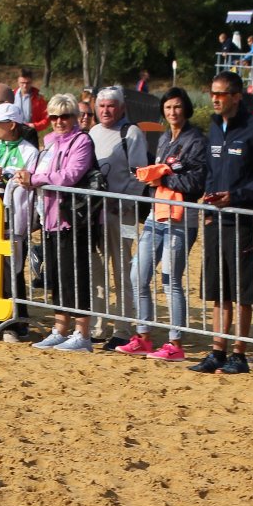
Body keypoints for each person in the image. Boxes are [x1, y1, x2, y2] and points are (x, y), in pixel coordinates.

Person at [189, 71, 253, 375]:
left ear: (237, 97)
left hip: (244, 220)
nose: (214, 99)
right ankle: (218, 350)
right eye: (212, 93)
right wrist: (209, 201)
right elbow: (211, 171)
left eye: (221, 94)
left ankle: (239, 353)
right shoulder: (214, 127)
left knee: (242, 291)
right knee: (218, 288)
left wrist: (236, 196)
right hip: (216, 219)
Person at [121, 87, 205, 361]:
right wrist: (153, 177)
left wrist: (162, 178)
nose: (172, 112)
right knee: (138, 275)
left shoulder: (196, 140)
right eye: (168, 108)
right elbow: (160, 173)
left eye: (177, 107)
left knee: (171, 280)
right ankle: (143, 336)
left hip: (181, 218)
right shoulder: (165, 137)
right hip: (156, 213)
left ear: (186, 108)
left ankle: (175, 342)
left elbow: (196, 183)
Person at [24, 94, 99, 351]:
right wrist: (31, 176)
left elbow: (70, 175)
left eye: (64, 116)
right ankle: (60, 329)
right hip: (49, 217)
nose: (59, 121)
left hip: (73, 219)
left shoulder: (82, 141)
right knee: (56, 275)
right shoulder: (48, 143)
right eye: (54, 116)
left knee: (74, 275)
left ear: (74, 118)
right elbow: (44, 173)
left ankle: (83, 334)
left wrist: (36, 179)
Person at [87, 86, 149, 350]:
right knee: (96, 270)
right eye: (101, 106)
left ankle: (122, 328)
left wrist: (122, 201)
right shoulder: (93, 132)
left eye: (111, 105)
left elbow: (140, 174)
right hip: (96, 213)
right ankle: (98, 326)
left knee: (122, 269)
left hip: (123, 215)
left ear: (121, 108)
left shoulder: (131, 133)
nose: (105, 110)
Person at [0, 102, 40, 302]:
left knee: (13, 267)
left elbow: (30, 183)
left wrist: (6, 175)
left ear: (11, 125)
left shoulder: (29, 152)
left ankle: (15, 316)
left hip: (14, 219)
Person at [13, 68, 49, 134]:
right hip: (13, 133)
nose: (25, 86)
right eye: (22, 83)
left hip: (30, 133)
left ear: (32, 81)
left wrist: (35, 126)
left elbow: (46, 119)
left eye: (28, 83)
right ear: (17, 81)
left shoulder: (40, 97)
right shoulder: (11, 95)